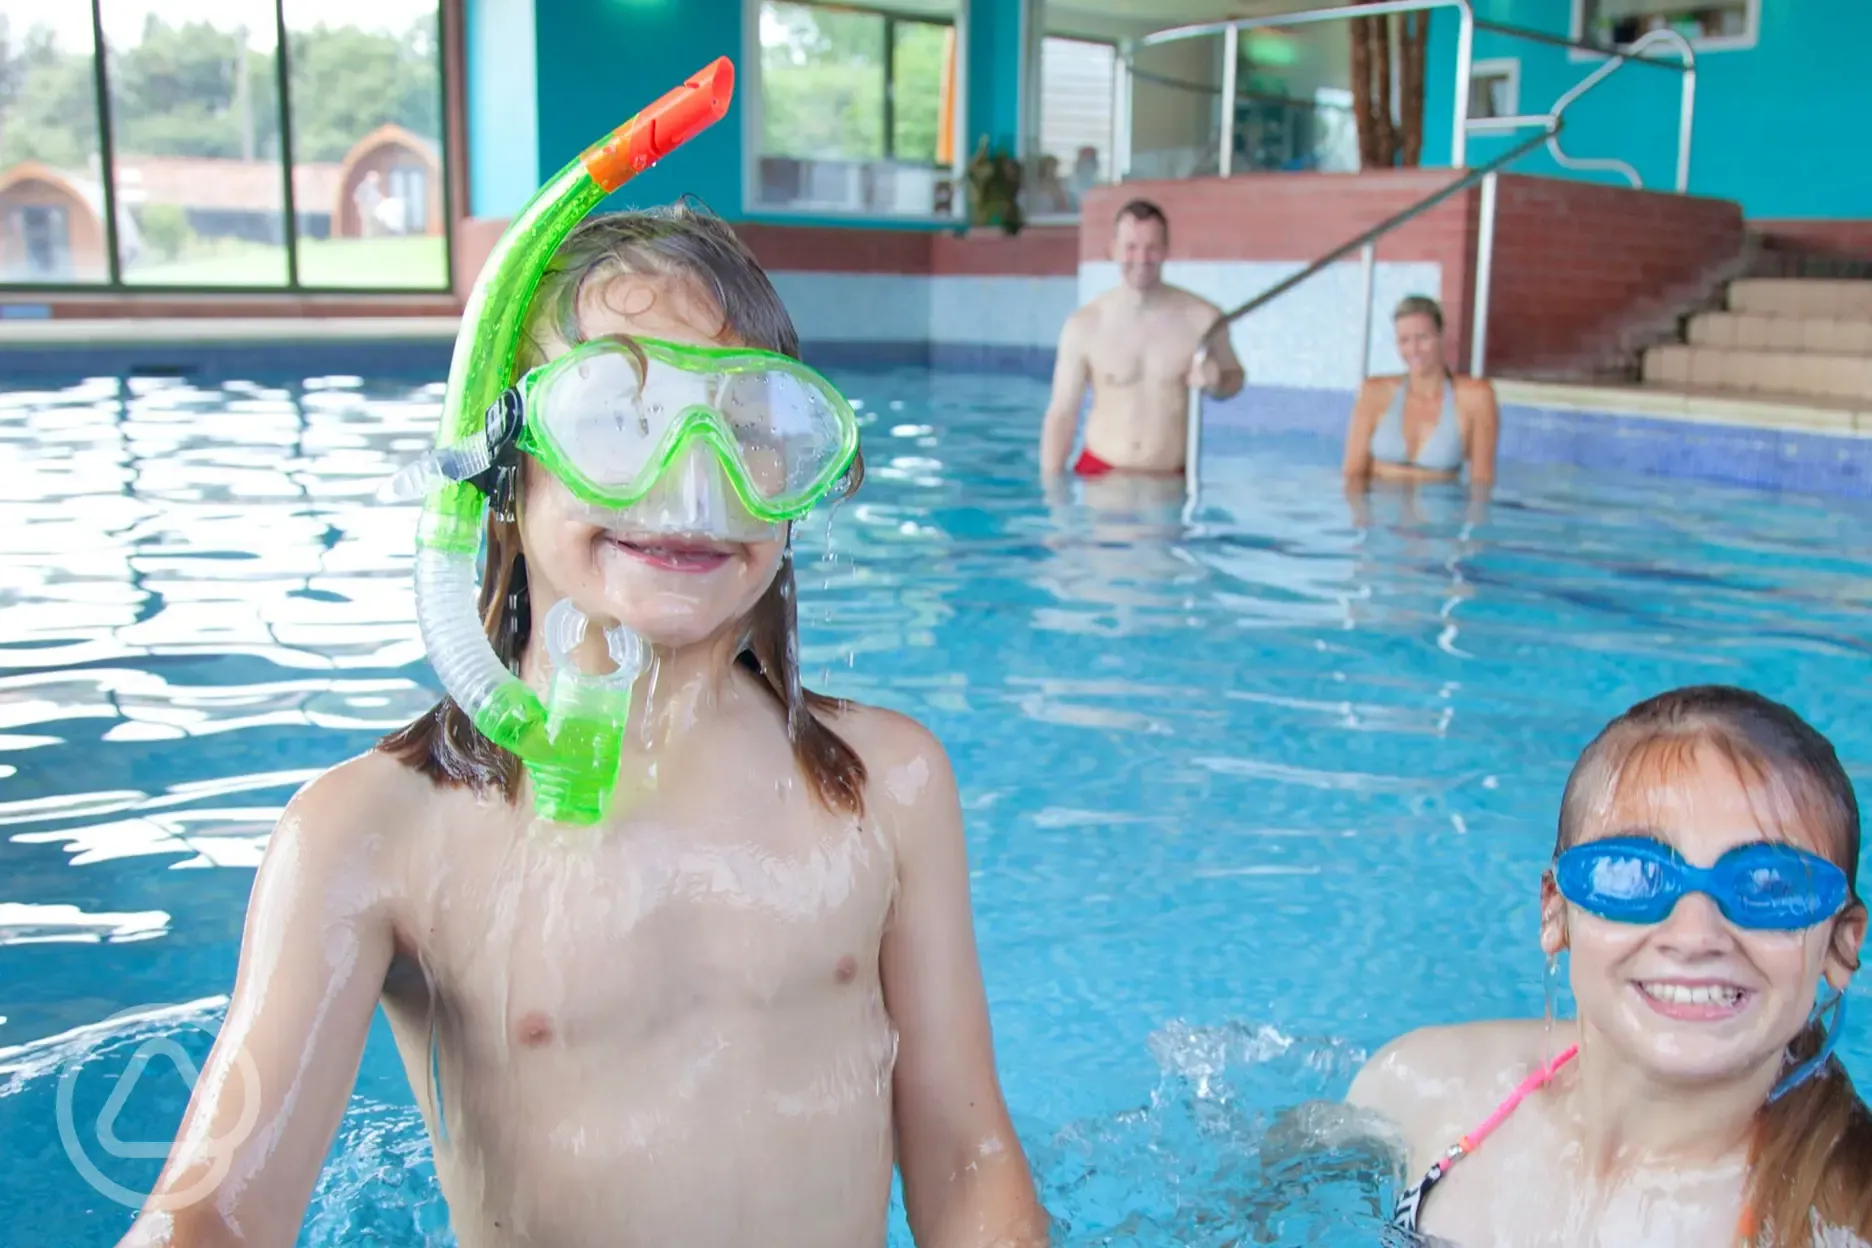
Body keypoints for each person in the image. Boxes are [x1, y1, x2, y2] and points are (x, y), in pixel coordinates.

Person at [117, 204, 1050, 1248]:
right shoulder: (374, 833)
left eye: (749, 428)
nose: (693, 485)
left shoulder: (888, 785)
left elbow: (967, 1161)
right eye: (618, 419)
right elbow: (214, 1211)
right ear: (502, 472)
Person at [1348, 685, 1871, 1247]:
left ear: (1841, 944)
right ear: (1556, 914)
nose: (1695, 936)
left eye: (1770, 885)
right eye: (1631, 874)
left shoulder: (1843, 1225)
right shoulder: (1421, 1091)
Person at [1039, 199, 1245, 482]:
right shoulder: (1085, 326)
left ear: (1166, 251)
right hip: (1100, 477)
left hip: (1168, 480)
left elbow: (1235, 378)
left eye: (1152, 248)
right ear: (1113, 250)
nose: (1141, 258)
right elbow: (1062, 413)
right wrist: (1052, 494)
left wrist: (1217, 381)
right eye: (1131, 247)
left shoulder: (1203, 321)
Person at [1342, 295, 1498, 492]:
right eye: (1404, 340)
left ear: (1441, 336)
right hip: (1380, 513)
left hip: (1441, 513)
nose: (1413, 350)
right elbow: (1353, 473)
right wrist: (1361, 519)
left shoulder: (1476, 397)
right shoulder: (1375, 392)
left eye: (1423, 338)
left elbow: (1482, 481)